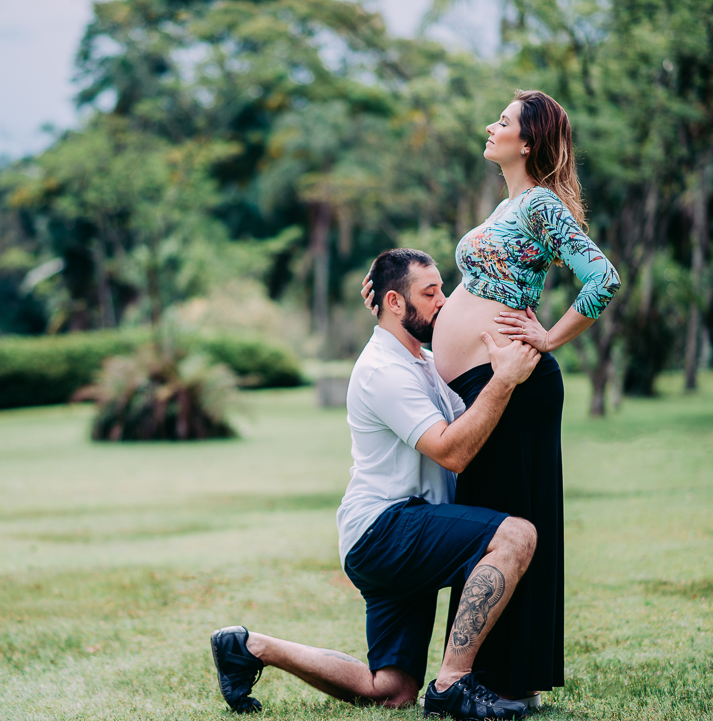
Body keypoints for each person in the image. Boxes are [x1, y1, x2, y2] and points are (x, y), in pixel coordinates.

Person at [363, 90, 621, 704]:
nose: (490, 126)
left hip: (513, 384)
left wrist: (549, 338)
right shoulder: (509, 207)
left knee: (509, 522)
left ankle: (506, 681)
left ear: (527, 142)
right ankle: (492, 677)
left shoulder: (539, 204)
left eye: (503, 122)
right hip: (482, 386)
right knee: (492, 525)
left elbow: (602, 278)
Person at [211, 248, 542, 720]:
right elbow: (452, 451)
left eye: (442, 290)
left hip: (384, 536)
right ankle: (451, 684)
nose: (443, 302)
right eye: (430, 293)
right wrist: (503, 381)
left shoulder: (423, 362)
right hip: (386, 528)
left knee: (390, 689)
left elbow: (473, 422)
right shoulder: (383, 371)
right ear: (394, 301)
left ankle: (250, 646)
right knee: (516, 536)